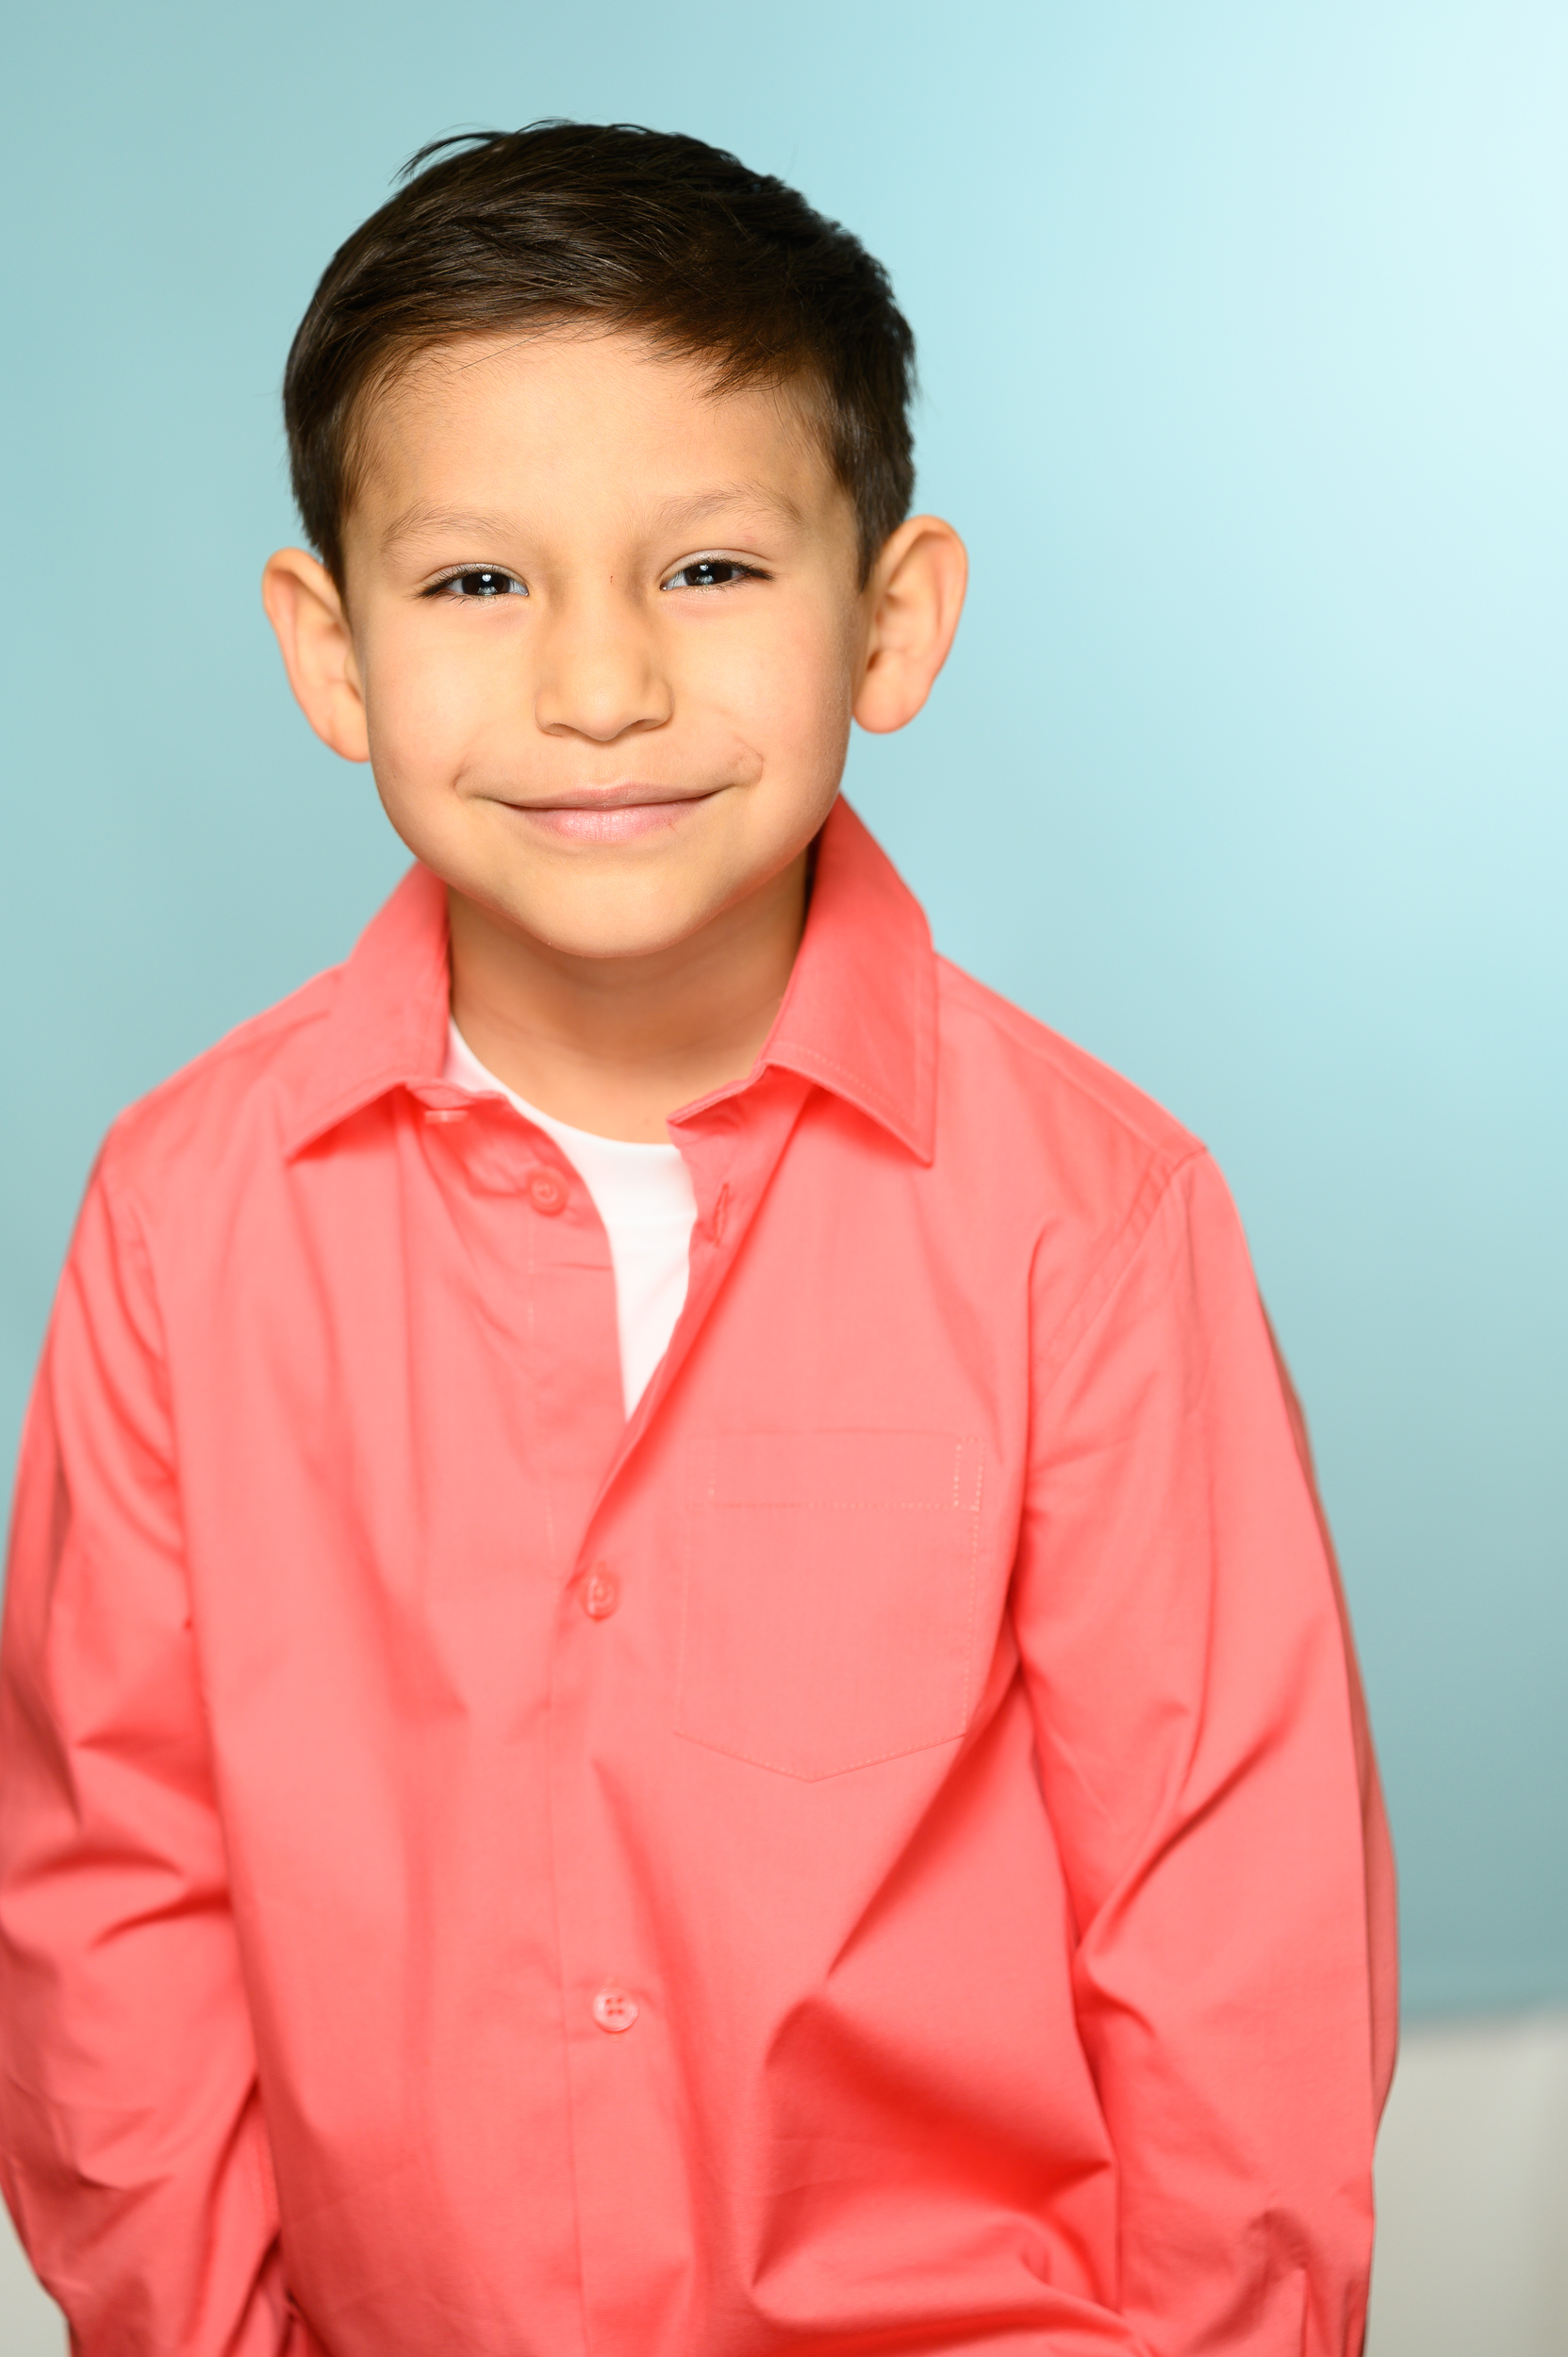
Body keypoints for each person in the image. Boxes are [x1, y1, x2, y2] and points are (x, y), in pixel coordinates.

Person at [0, 122, 1396, 2357]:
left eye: (709, 568)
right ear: (330, 652)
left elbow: (1231, 1946)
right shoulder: (184, 1218)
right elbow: (112, 1919)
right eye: (478, 583)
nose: (599, 684)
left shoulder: (1097, 1220)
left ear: (890, 618)